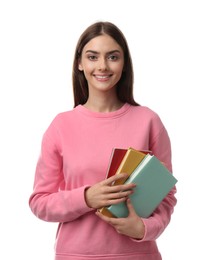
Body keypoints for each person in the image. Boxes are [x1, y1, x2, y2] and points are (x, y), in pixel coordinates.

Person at [29, 21, 177, 260]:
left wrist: (143, 229)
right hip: (75, 255)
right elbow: (40, 202)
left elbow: (166, 194)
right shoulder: (61, 125)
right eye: (92, 56)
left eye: (113, 57)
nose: (102, 66)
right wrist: (86, 198)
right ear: (80, 63)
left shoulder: (148, 121)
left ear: (124, 64)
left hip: (137, 255)